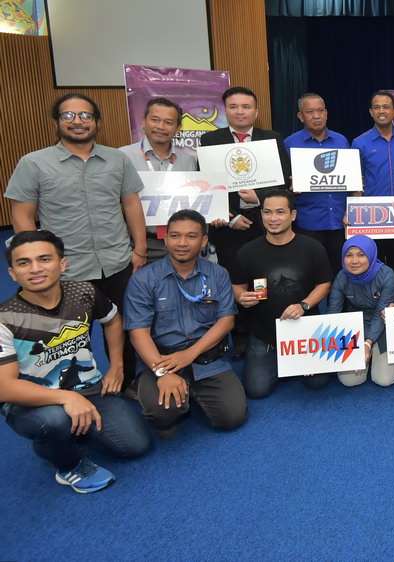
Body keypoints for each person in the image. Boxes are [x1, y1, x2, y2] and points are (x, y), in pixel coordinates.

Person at [6, 93, 148, 390]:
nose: (78, 122)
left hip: (116, 261)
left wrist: (140, 249)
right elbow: (22, 215)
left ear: (97, 122)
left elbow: (131, 204)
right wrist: (39, 262)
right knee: (67, 335)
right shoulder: (34, 163)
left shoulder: (117, 159)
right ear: (56, 122)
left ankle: (125, 382)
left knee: (124, 326)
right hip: (66, 268)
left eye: (85, 115)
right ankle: (71, 388)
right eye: (68, 115)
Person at [0, 231, 150, 494]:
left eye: (44, 259)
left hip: (88, 389)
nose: (35, 269)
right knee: (54, 422)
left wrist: (116, 366)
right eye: (24, 263)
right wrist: (66, 399)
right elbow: (5, 387)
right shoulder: (5, 318)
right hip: (33, 401)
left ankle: (73, 428)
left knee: (134, 446)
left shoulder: (84, 291)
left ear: (62, 264)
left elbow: (113, 320)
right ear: (12, 273)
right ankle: (67, 463)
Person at [124, 210, 248, 439]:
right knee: (162, 412)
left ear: (203, 241)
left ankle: (189, 390)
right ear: (165, 239)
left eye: (191, 236)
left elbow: (226, 321)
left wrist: (189, 355)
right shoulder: (143, 279)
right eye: (175, 236)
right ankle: (160, 393)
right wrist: (162, 373)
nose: (182, 243)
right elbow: (137, 333)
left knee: (232, 417)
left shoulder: (218, 274)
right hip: (161, 359)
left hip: (205, 356)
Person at [200, 86, 291, 359]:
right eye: (234, 107)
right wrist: (231, 216)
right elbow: (205, 184)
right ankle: (240, 334)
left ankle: (266, 330)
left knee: (265, 277)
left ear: (256, 111)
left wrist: (260, 198)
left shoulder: (272, 139)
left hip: (267, 222)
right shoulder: (210, 140)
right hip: (229, 227)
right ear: (225, 110)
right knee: (236, 279)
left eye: (246, 107)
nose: (240, 112)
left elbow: (284, 180)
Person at [231, 190, 333, 399]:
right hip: (264, 333)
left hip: (304, 332)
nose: (273, 218)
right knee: (256, 391)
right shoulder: (247, 251)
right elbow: (237, 286)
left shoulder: (312, 248)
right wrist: (240, 297)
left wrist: (304, 305)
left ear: (293, 215)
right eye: (267, 212)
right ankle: (279, 360)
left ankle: (288, 362)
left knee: (318, 382)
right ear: (261, 215)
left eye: (280, 212)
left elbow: (324, 284)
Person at [119, 96, 199, 264]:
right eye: (155, 120)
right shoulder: (122, 156)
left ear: (178, 128)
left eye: (169, 122)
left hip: (181, 246)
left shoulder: (189, 160)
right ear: (144, 120)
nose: (161, 127)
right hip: (138, 245)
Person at [352, 91, 394, 291]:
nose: (382, 111)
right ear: (371, 112)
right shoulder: (359, 143)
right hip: (371, 216)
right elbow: (355, 182)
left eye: (386, 107)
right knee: (373, 264)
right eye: (377, 107)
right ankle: (375, 303)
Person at [283, 93, 351, 276]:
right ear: (300, 116)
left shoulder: (341, 141)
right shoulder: (289, 144)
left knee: (340, 273)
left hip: (339, 221)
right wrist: (290, 188)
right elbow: (282, 186)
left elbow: (350, 179)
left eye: (320, 111)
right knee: (310, 274)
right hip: (307, 223)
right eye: (310, 112)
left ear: (326, 113)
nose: (316, 116)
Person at [327, 235, 394, 387]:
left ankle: (374, 351)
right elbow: (333, 312)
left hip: (383, 324)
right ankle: (370, 354)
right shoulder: (342, 276)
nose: (354, 261)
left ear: (371, 255)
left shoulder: (387, 275)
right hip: (357, 324)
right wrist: (313, 358)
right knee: (349, 380)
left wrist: (367, 343)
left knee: (383, 380)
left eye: (361, 255)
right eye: (349, 255)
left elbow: (381, 313)